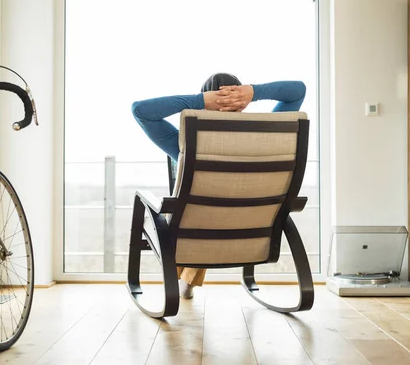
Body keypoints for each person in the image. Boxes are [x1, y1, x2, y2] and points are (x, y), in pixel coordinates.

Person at [131, 73, 306, 298]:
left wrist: (199, 101)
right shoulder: (265, 137)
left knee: (196, 208)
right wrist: (254, 92)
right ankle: (187, 282)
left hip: (195, 234)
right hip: (253, 232)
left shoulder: (186, 143)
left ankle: (182, 282)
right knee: (212, 203)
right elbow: (298, 90)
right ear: (242, 102)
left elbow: (140, 110)